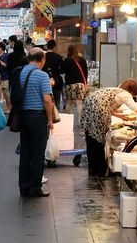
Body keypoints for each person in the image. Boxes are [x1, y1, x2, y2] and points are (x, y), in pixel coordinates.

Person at [80, 80, 137, 177]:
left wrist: (120, 116)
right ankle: (100, 170)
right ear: (132, 91)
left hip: (89, 106)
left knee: (91, 138)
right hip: (97, 111)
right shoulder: (125, 94)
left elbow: (106, 105)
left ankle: (92, 168)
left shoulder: (115, 90)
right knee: (98, 140)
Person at [16, 48, 55, 197]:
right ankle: (35, 187)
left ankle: (24, 186)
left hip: (23, 116)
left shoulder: (20, 72)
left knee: (25, 152)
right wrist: (50, 119)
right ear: (42, 59)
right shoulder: (42, 75)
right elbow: (47, 100)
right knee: (38, 154)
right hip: (38, 117)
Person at [63, 44, 89, 119]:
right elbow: (85, 72)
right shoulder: (83, 60)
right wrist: (85, 83)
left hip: (70, 84)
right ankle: (81, 121)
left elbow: (62, 71)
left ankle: (66, 119)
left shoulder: (67, 60)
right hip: (80, 84)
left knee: (69, 102)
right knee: (79, 103)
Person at [42, 39, 65, 109]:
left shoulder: (43, 57)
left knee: (46, 102)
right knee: (57, 102)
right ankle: (56, 114)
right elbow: (62, 71)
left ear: (47, 46)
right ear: (54, 47)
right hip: (57, 82)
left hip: (44, 82)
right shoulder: (58, 57)